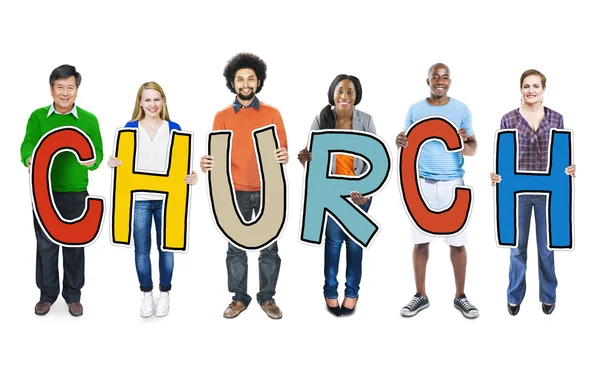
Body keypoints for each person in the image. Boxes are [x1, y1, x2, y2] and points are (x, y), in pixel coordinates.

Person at [200, 53, 288, 319]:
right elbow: (217, 154)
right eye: (240, 79)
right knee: (235, 247)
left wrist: (284, 154)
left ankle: (267, 297)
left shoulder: (272, 113)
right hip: (234, 190)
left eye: (250, 78)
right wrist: (206, 163)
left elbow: (282, 149)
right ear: (232, 83)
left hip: (267, 190)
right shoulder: (222, 116)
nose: (246, 83)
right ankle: (239, 298)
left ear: (258, 81)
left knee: (269, 247)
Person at [396, 63, 479, 319]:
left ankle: (460, 296)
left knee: (458, 244)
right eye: (435, 77)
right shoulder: (415, 109)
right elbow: (407, 143)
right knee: (420, 242)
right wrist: (399, 140)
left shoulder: (462, 109)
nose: (440, 81)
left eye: (444, 78)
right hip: (421, 184)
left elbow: (473, 149)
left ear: (450, 82)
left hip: (453, 184)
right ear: (428, 81)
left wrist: (463, 142)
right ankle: (420, 295)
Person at [107, 81, 197, 318]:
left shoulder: (174, 128)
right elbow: (121, 161)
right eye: (147, 99)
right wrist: (112, 163)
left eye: (156, 99)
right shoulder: (129, 128)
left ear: (163, 101)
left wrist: (192, 176)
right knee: (141, 250)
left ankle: (164, 293)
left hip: (169, 199)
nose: (152, 104)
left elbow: (183, 162)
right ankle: (147, 294)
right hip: (139, 199)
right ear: (140, 102)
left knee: (167, 249)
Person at [20, 64, 104, 317]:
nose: (65, 93)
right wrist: (28, 159)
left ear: (77, 91)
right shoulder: (38, 117)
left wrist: (93, 161)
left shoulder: (89, 119)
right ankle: (47, 295)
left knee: (75, 245)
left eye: (70, 88)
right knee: (46, 245)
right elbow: (27, 146)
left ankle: (73, 296)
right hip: (44, 193)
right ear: (51, 89)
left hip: (77, 192)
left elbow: (98, 153)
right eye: (60, 88)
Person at [490, 69, 576, 316]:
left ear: (543, 90)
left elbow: (560, 154)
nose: (531, 90)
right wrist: (496, 174)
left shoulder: (556, 119)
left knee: (546, 247)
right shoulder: (508, 119)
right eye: (526, 86)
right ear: (521, 89)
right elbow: (502, 155)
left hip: (549, 193)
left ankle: (548, 295)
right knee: (517, 247)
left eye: (536, 86)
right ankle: (514, 295)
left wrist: (569, 168)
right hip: (518, 193)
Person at [298, 74, 375, 316]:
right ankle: (330, 292)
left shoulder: (366, 120)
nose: (345, 96)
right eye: (340, 91)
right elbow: (312, 159)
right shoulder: (321, 119)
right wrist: (304, 159)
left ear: (357, 96)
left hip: (358, 195)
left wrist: (367, 191)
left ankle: (352, 293)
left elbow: (375, 156)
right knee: (333, 244)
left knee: (355, 245)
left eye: (350, 92)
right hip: (331, 194)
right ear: (333, 93)